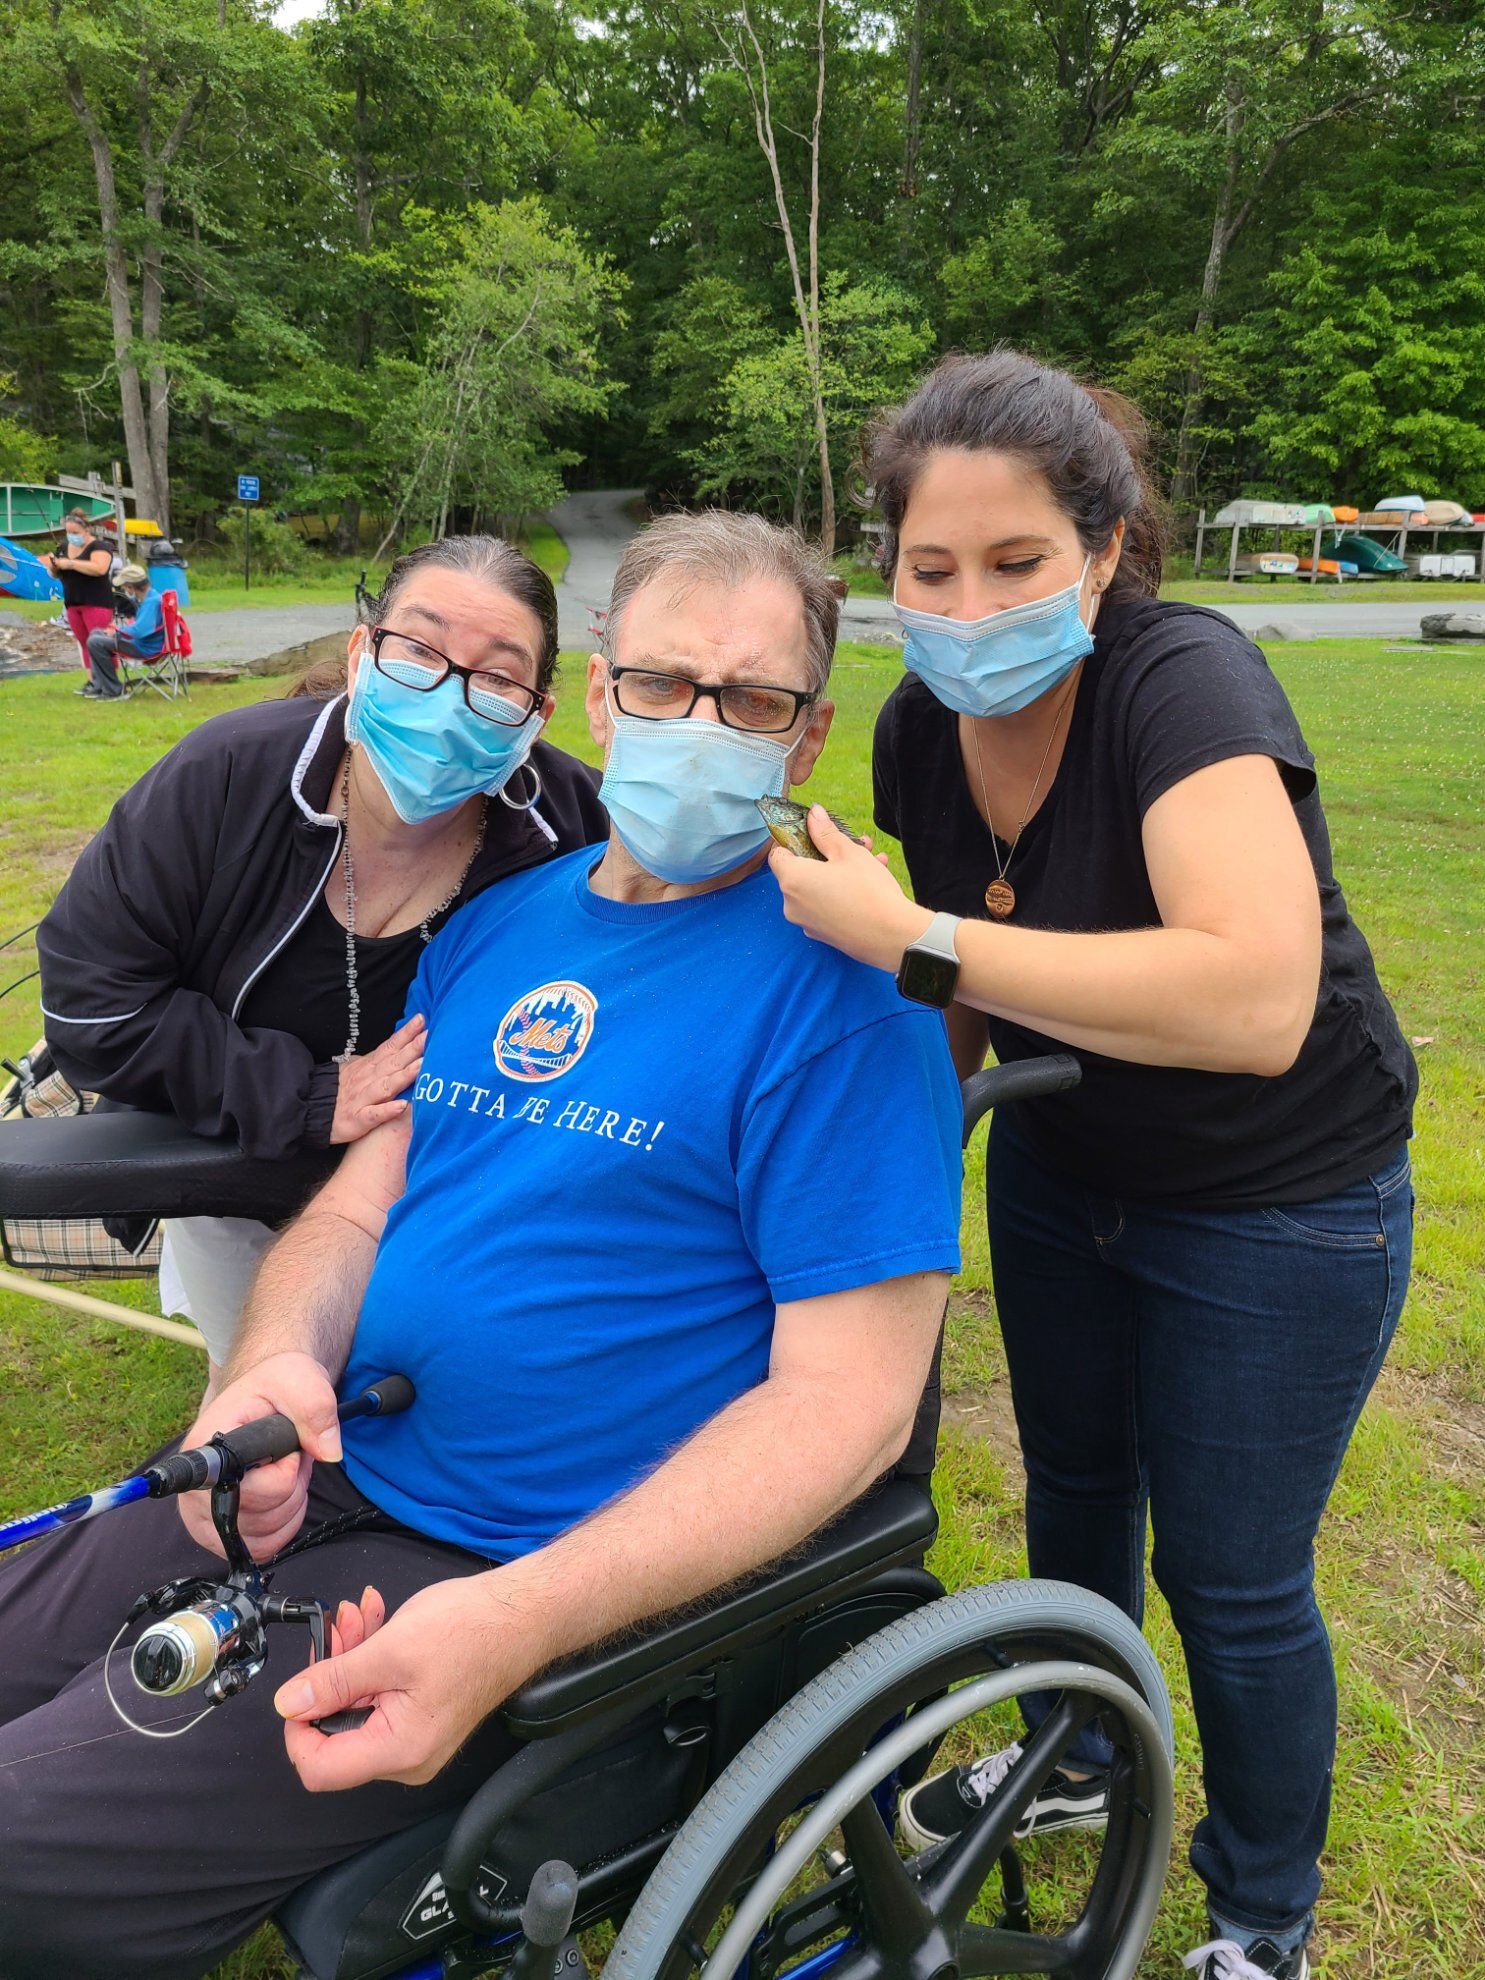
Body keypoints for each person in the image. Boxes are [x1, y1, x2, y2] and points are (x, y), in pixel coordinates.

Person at [0, 511, 963, 1978]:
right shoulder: (496, 924)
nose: (696, 726)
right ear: (597, 702)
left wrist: (514, 1623)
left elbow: (851, 1401)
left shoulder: (843, 994)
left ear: (807, 737)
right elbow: (361, 1202)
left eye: (749, 700)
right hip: (309, 1476)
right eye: (657, 685)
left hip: (496, 1564)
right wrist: (268, 1362)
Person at [768, 352, 1416, 1980]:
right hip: (1065, 1166)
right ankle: (1072, 1753)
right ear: (889, 566)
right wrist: (863, 1164)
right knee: (1076, 1492)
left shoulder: (1178, 683)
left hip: (1285, 1199)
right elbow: (967, 1002)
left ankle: (1263, 1912)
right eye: (931, 569)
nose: (969, 604)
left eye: (1016, 564)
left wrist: (907, 936)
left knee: (1235, 1575)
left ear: (1105, 552)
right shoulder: (922, 728)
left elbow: (1254, 999)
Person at [38, 535, 609, 1390]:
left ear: (536, 715)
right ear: (360, 654)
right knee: (266, 1400)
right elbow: (93, 1005)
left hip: (452, 1186)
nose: (448, 694)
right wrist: (304, 1095)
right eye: (417, 649)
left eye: (496, 677)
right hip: (238, 1166)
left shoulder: (571, 825)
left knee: (423, 1404)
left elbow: (692, 900)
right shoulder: (223, 775)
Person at [37, 505, 115, 692]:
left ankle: (109, 683)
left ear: (86, 530)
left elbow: (99, 568)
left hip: (97, 603)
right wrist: (55, 566)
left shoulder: (100, 547)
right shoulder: (63, 547)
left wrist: (70, 563)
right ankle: (92, 682)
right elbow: (54, 574)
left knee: (99, 643)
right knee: (84, 643)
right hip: (73, 604)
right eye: (68, 532)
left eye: (75, 532)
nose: (71, 535)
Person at [80, 559, 164, 699]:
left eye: (125, 586)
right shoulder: (152, 596)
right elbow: (142, 627)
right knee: (96, 633)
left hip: (145, 648)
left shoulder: (151, 602)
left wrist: (117, 632)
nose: (124, 590)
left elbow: (140, 631)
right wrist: (118, 631)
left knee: (95, 642)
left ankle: (113, 690)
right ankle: (99, 686)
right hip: (144, 643)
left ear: (131, 587)